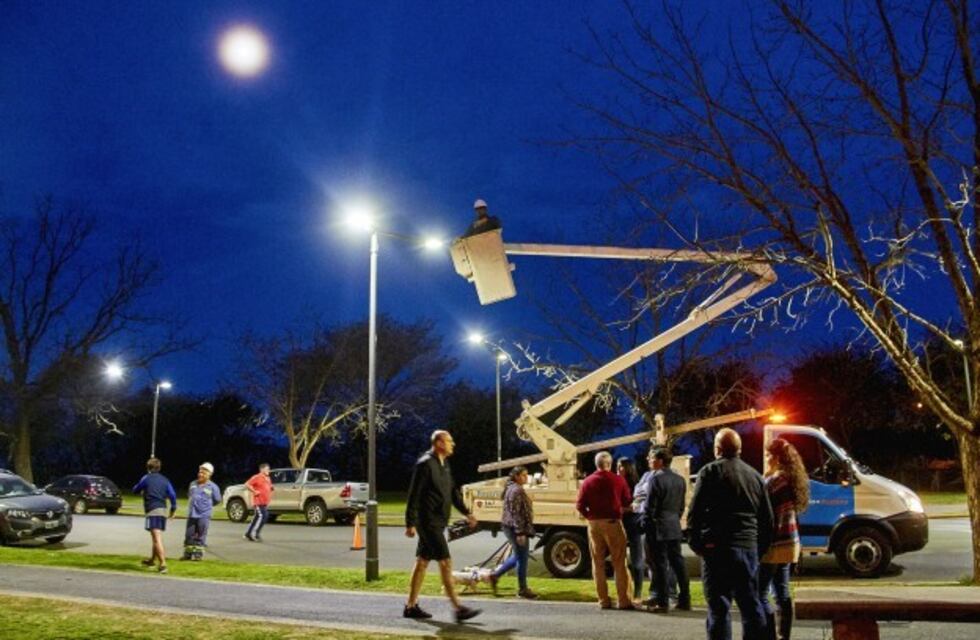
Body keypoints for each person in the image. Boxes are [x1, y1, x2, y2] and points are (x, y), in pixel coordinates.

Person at [687, 428, 774, 640]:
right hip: (747, 547)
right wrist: (758, 549)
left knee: (718, 608)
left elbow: (695, 513)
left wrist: (697, 544)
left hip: (716, 548)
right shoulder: (755, 477)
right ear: (739, 449)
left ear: (717, 449)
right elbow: (767, 520)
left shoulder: (709, 472)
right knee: (750, 606)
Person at [403, 430, 481, 623]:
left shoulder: (444, 464)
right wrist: (410, 522)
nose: (453, 444)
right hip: (427, 522)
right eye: (449, 441)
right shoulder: (425, 464)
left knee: (422, 562)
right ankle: (458, 608)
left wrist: (467, 512)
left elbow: (453, 493)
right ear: (438, 443)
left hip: (439, 521)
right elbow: (414, 494)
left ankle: (410, 606)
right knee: (445, 562)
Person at [758, 438, 809, 640]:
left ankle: (770, 636)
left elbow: (762, 511)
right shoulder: (792, 479)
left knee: (759, 594)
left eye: (768, 455)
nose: (766, 459)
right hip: (789, 543)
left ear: (777, 458)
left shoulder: (774, 482)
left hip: (774, 544)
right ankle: (784, 635)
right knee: (782, 593)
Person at [575, 451, 635, 611]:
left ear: (596, 464)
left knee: (598, 563)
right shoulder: (618, 480)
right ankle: (623, 600)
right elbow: (627, 501)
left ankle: (603, 600)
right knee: (619, 562)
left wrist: (590, 516)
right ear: (609, 464)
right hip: (612, 522)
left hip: (594, 524)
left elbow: (580, 505)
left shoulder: (587, 481)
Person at [644, 447, 691, 614]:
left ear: (660, 461)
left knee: (660, 565)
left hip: (659, 527)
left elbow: (649, 508)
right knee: (678, 563)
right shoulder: (680, 480)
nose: (648, 460)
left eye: (651, 458)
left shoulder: (655, 479)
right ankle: (685, 600)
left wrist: (646, 524)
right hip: (674, 526)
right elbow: (681, 507)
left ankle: (662, 602)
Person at [489, 466, 537, 599]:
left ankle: (495, 576)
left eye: (527, 475)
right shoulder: (516, 490)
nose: (526, 478)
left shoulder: (512, 488)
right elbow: (516, 513)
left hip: (510, 526)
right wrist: (520, 533)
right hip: (515, 528)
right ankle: (522, 589)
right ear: (516, 476)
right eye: (523, 475)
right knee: (522, 558)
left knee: (518, 556)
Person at [132, 457, 177, 574]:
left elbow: (135, 490)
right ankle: (152, 560)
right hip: (162, 509)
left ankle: (163, 564)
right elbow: (172, 495)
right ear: (159, 468)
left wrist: (141, 489)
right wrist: (173, 509)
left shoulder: (146, 478)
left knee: (156, 537)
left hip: (152, 510)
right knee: (155, 536)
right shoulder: (165, 480)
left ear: (148, 468)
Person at [616, 457, 644, 601]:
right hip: (618, 522)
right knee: (619, 560)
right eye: (617, 465)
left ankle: (637, 592)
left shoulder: (636, 484)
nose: (618, 469)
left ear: (629, 468)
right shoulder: (616, 482)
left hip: (633, 522)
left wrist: (623, 509)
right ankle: (624, 592)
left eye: (621, 466)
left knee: (636, 560)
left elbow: (637, 506)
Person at [182, 462, 221, 561]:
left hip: (204, 515)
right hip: (192, 514)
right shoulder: (193, 484)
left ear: (209, 474)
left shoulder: (213, 487)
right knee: (189, 535)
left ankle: (198, 555)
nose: (200, 474)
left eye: (203, 473)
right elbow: (190, 495)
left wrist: (207, 506)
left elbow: (217, 500)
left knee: (200, 535)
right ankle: (187, 554)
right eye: (200, 472)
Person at [244, 463, 273, 542]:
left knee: (257, 517)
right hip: (258, 502)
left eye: (269, 469)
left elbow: (269, 487)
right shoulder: (257, 477)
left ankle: (248, 533)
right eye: (267, 469)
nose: (269, 471)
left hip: (264, 502)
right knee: (263, 516)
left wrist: (270, 489)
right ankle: (254, 534)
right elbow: (247, 484)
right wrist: (254, 491)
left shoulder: (268, 478)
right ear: (261, 469)